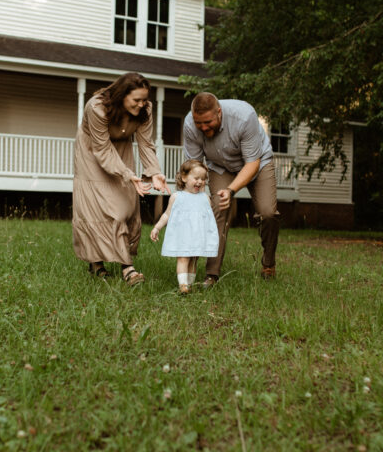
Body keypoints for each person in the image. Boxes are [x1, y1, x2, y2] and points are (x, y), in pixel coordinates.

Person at [72, 72, 169, 284]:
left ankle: (122, 259)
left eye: (144, 99)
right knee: (100, 209)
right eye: (136, 100)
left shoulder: (145, 110)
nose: (142, 104)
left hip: (121, 148)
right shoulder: (97, 108)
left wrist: (154, 171)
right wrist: (127, 173)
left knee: (125, 206)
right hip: (92, 152)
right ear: (121, 95)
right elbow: (102, 148)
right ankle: (113, 266)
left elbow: (145, 143)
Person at [183, 92, 280, 285]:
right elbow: (193, 165)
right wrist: (190, 196)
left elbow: (252, 162)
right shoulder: (190, 124)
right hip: (220, 166)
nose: (202, 127)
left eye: (207, 122)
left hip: (257, 163)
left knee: (268, 212)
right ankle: (212, 274)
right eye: (198, 123)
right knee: (218, 207)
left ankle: (268, 263)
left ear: (219, 112)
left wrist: (231, 190)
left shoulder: (244, 116)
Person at [149, 159, 220, 294]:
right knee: (183, 258)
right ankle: (183, 285)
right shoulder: (177, 197)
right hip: (182, 235)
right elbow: (166, 215)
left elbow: (208, 217)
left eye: (203, 179)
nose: (199, 182)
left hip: (197, 235)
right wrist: (157, 227)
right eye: (196, 178)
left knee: (193, 259)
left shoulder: (205, 198)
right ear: (184, 177)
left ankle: (189, 284)